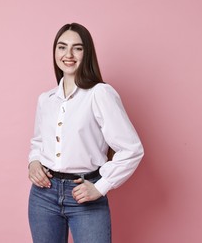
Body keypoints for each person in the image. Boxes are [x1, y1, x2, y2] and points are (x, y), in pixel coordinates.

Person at [28, 22, 144, 243]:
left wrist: (101, 187)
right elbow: (38, 143)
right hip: (42, 196)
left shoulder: (100, 94)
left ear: (87, 52)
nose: (68, 54)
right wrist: (33, 163)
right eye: (62, 47)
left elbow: (132, 149)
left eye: (77, 48)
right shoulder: (46, 99)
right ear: (55, 52)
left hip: (85, 195)